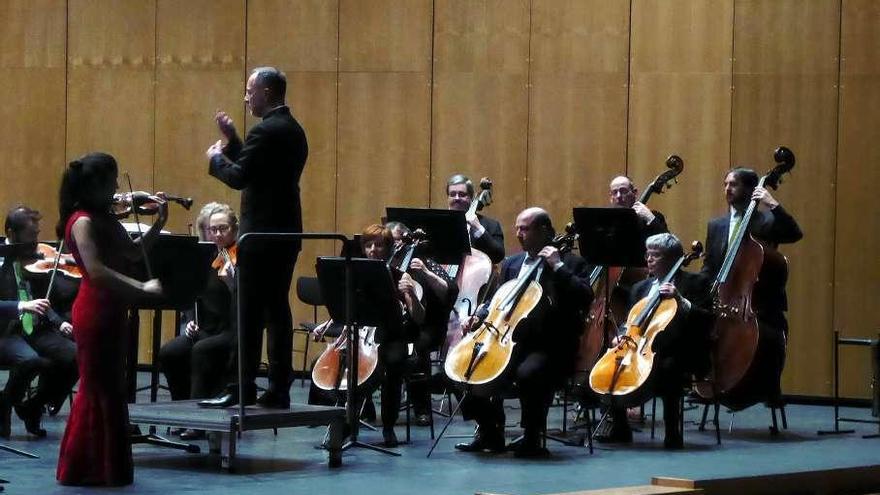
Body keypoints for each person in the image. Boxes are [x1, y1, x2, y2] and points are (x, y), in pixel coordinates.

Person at [55, 152, 166, 486]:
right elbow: (98, 272)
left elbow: (131, 252)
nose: (118, 187)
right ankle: (84, 468)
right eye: (113, 180)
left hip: (113, 308)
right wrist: (142, 287)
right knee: (96, 387)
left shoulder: (105, 217)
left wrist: (158, 224)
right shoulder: (83, 221)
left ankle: (106, 468)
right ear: (96, 184)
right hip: (95, 309)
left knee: (111, 386)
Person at [202, 66, 308, 409]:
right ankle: (278, 387)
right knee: (277, 310)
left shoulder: (266, 131)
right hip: (285, 232)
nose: (246, 97)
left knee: (246, 312)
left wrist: (217, 158)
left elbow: (240, 177)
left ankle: (241, 385)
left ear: (265, 92)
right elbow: (260, 169)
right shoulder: (292, 129)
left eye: (250, 91)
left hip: (260, 236)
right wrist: (235, 141)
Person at [455, 207, 591, 457]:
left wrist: (558, 266)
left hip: (550, 344)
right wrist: (479, 316)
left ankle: (532, 437)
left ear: (545, 230)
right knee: (465, 367)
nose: (518, 234)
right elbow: (497, 301)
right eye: (517, 228)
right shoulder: (512, 263)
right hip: (509, 340)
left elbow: (584, 296)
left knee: (529, 373)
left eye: (525, 229)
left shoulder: (570, 262)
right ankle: (489, 430)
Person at [599, 233, 713, 449]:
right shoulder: (640, 288)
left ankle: (672, 432)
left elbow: (706, 320)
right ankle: (621, 427)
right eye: (648, 254)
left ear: (673, 259)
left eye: (656, 255)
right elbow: (630, 321)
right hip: (643, 347)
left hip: (681, 349)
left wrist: (680, 299)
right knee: (611, 363)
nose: (649, 259)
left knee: (669, 367)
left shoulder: (695, 282)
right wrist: (621, 334)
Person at [700, 167, 802, 402]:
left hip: (759, 300)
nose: (727, 189)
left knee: (775, 329)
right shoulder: (716, 225)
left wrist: (772, 203)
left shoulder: (766, 220)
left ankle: (768, 387)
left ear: (749, 189)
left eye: (733, 185)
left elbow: (794, 233)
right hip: (724, 297)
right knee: (700, 322)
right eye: (725, 184)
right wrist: (701, 290)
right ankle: (708, 381)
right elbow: (710, 265)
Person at [158, 203, 238, 440]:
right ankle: (181, 411)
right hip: (206, 328)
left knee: (201, 350)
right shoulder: (208, 257)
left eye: (222, 229)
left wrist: (233, 285)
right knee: (170, 352)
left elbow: (250, 306)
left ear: (234, 229)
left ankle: (198, 421)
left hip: (232, 330)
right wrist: (191, 321)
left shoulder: (241, 258)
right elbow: (196, 296)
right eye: (212, 230)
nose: (216, 235)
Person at [0, 206, 78, 439]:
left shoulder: (35, 259)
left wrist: (57, 321)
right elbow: (24, 303)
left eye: (37, 234)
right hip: (6, 332)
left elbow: (42, 301)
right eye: (31, 236)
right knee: (32, 360)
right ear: (11, 232)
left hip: (34, 329)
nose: (36, 242)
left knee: (76, 355)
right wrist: (20, 306)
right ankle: (5, 403)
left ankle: (32, 406)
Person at [446, 174, 505, 264]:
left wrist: (478, 228)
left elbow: (498, 256)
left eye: (462, 194)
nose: (457, 198)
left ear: (471, 197)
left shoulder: (491, 225)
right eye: (453, 194)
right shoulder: (437, 223)